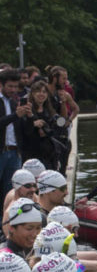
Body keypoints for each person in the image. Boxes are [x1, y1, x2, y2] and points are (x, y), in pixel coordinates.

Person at [47, 205, 97, 272]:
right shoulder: (55, 237)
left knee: (95, 256)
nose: (76, 235)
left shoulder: (53, 233)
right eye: (74, 229)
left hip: (58, 257)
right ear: (65, 227)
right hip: (53, 264)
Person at [17, 79, 61, 170]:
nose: (41, 94)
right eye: (38, 91)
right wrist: (32, 124)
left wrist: (46, 129)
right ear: (32, 93)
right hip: (31, 151)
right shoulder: (27, 109)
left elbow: (57, 128)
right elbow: (22, 130)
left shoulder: (50, 110)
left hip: (47, 152)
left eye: (44, 92)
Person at [0, 68, 23, 199]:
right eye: (10, 86)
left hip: (14, 152)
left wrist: (28, 116)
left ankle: (8, 218)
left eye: (15, 86)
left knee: (12, 191)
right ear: (1, 84)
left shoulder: (15, 102)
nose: (13, 90)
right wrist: (15, 115)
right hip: (1, 151)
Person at [2, 169, 39, 236]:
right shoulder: (10, 213)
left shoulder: (33, 197)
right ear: (17, 187)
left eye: (34, 186)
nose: (33, 190)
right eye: (28, 186)